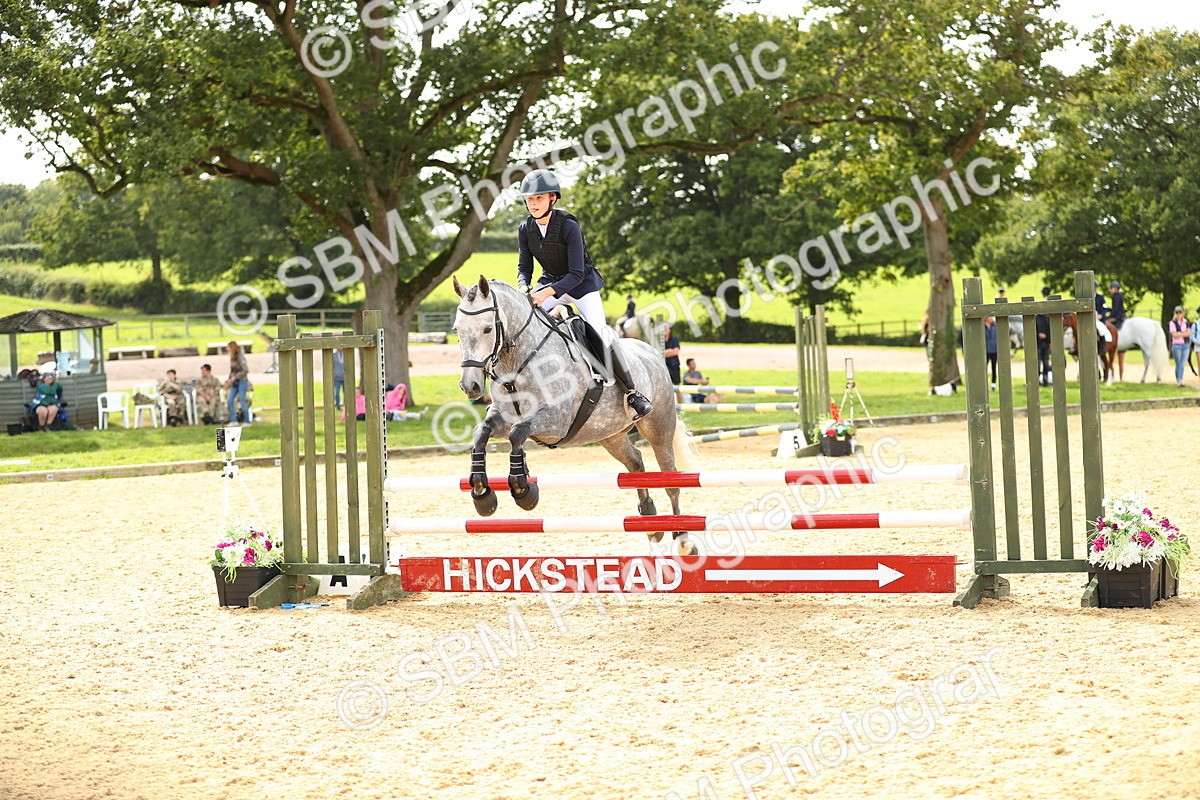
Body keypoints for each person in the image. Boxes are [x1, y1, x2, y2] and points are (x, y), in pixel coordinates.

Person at [515, 168, 653, 421]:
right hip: (550, 284)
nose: (533, 204)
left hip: (581, 287)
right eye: (530, 199)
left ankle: (633, 393)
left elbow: (577, 273)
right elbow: (524, 268)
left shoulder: (568, 226)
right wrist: (525, 286)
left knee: (600, 332)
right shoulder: (525, 229)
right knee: (525, 325)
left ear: (552, 199)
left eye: (539, 198)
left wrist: (546, 293)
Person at [225, 340, 251, 424]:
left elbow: (245, 370)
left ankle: (247, 421)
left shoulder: (240, 357)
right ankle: (234, 420)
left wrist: (235, 377)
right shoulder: (232, 357)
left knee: (242, 400)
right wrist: (229, 379)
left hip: (242, 381)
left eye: (228, 347)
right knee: (229, 400)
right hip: (234, 383)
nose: (226, 349)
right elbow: (232, 370)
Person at [1168, 306, 1191, 387]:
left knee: (1182, 363)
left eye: (1180, 312)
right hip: (1177, 346)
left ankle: (1180, 380)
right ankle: (1178, 379)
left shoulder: (1185, 322)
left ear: (1182, 313)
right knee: (1178, 364)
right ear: (1175, 313)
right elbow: (1174, 335)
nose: (1178, 314)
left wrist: (1180, 333)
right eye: (1177, 313)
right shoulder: (1172, 323)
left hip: (1186, 345)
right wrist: (1183, 333)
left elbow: (1189, 333)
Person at [1036, 287, 1052, 385]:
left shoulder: (1047, 318)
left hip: (1045, 343)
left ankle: (1045, 379)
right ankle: (1038, 379)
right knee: (1037, 363)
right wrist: (1038, 334)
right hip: (1038, 343)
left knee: (1046, 363)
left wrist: (1049, 341)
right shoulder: (1036, 318)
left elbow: (1049, 330)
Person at [984, 316, 998, 389]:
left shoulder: (995, 327)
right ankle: (984, 384)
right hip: (986, 351)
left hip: (994, 351)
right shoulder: (982, 327)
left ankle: (993, 384)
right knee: (984, 368)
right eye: (990, 317)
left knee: (994, 368)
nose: (992, 318)